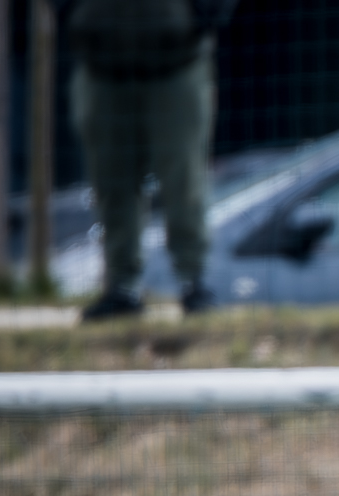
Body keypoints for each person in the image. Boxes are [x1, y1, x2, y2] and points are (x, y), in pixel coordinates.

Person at [60, 0, 235, 320]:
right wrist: (73, 15)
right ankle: (121, 287)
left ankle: (194, 281)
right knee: (111, 182)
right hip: (101, 63)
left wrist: (203, 15)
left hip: (177, 60)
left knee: (183, 178)